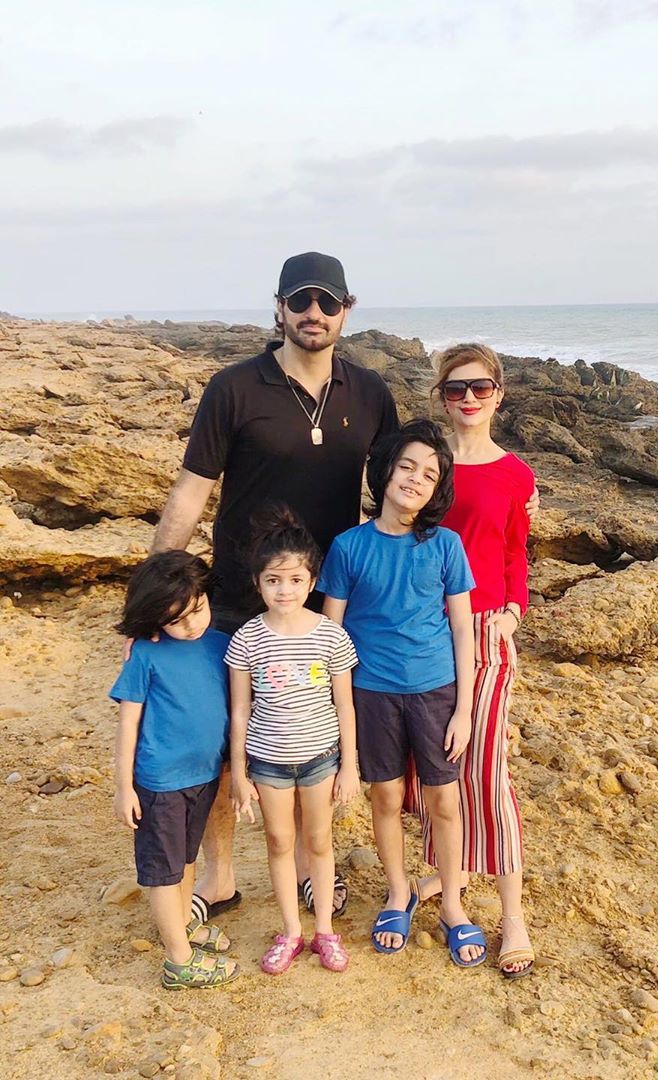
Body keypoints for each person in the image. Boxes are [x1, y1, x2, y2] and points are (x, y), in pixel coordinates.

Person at [152, 252, 397, 922]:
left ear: (346, 309)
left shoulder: (370, 393)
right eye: (300, 301)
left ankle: (317, 872)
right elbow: (190, 493)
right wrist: (151, 595)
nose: (312, 314)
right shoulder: (233, 388)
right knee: (223, 740)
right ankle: (224, 876)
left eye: (326, 302)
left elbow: (410, 483)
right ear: (279, 310)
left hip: (328, 601)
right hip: (236, 594)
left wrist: (509, 494)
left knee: (317, 733)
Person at [319, 419, 486, 967]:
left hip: (436, 691)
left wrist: (464, 708)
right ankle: (398, 892)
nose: (416, 479)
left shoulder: (446, 546)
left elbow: (463, 628)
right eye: (408, 466)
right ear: (386, 471)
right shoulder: (348, 546)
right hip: (372, 694)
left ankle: (454, 905)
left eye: (431, 474)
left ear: (439, 490)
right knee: (386, 797)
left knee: (445, 800)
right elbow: (331, 632)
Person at [409, 343, 535, 978]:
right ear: (441, 397)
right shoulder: (427, 468)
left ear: (498, 394)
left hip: (486, 629)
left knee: (486, 766)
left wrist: (514, 610)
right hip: (420, 629)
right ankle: (447, 872)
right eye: (455, 390)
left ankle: (512, 913)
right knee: (428, 763)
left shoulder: (515, 473)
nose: (467, 400)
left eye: (479, 388)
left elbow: (517, 551)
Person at [226, 508, 360, 974]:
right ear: (258, 583)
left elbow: (345, 705)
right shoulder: (246, 639)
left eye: (295, 579)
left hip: (322, 759)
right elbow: (240, 709)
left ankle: (325, 928)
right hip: (268, 763)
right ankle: (291, 930)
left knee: (319, 841)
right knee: (280, 841)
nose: (284, 590)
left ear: (311, 580)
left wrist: (351, 766)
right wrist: (240, 775)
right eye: (273, 580)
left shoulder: (331, 635)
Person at [109, 551, 239, 990]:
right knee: (163, 870)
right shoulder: (146, 654)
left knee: (185, 860)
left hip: (203, 776)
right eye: (177, 620)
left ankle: (185, 926)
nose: (191, 625)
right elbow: (128, 721)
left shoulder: (219, 642)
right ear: (154, 619)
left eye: (197, 610)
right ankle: (179, 960)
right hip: (160, 782)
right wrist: (123, 786)